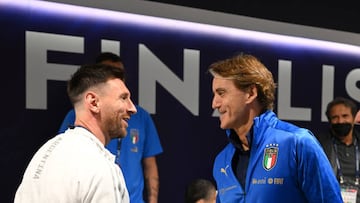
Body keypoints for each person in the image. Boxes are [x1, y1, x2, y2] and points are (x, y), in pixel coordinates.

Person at [208, 53, 343, 202]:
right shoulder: (222, 161)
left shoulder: (297, 143)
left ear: (250, 93)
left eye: (221, 93)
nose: (215, 103)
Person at [14, 64, 137, 202]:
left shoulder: (43, 154)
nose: (132, 108)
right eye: (123, 98)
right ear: (94, 102)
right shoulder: (100, 167)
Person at [58, 52, 163, 203]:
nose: (131, 109)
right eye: (109, 72)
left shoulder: (142, 117)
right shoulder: (75, 118)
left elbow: (150, 165)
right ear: (93, 102)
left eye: (120, 74)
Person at [318, 97, 360, 203]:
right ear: (329, 120)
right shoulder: (319, 146)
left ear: (354, 118)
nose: (340, 121)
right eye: (335, 117)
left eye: (345, 116)